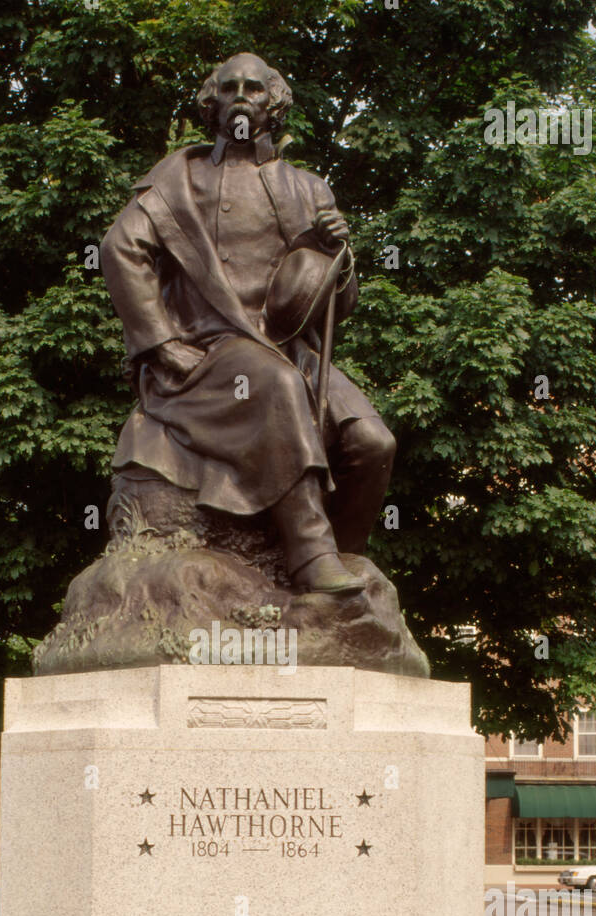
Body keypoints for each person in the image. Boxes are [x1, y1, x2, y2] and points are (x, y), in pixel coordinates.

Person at [100, 52, 396, 595]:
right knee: (276, 384)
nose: (242, 96)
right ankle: (311, 557)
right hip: (209, 344)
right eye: (230, 87)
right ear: (212, 104)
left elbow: (339, 305)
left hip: (289, 347)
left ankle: (346, 567)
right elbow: (120, 250)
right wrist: (162, 343)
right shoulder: (179, 179)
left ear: (273, 104)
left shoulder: (310, 189)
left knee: (374, 441)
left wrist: (340, 254)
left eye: (255, 89)